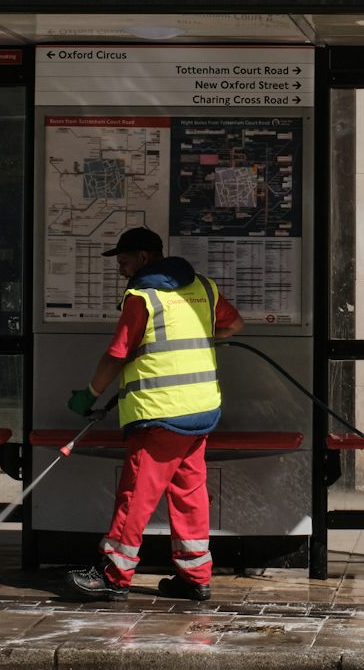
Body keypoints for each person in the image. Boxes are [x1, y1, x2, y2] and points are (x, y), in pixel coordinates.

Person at [63, 226, 242, 602]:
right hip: (201, 410)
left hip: (161, 415)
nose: (120, 269)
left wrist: (90, 394)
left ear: (144, 257)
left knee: (136, 495)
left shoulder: (142, 296)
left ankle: (112, 574)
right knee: (189, 494)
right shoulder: (203, 288)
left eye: (124, 260)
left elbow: (117, 353)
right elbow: (233, 325)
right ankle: (195, 577)